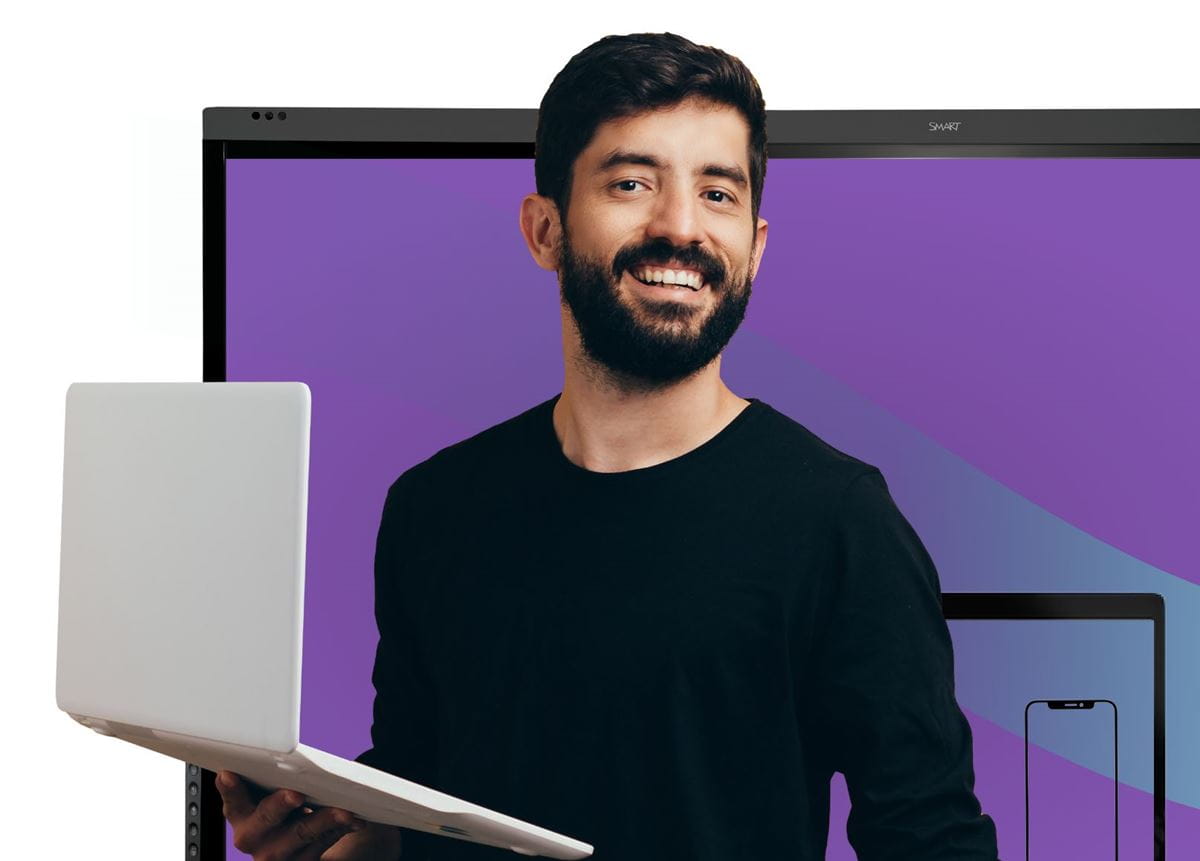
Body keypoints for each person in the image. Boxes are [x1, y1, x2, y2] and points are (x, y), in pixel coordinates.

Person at [217, 31, 1000, 860]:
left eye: (718, 194)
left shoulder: (840, 524)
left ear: (755, 250)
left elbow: (931, 839)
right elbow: (420, 803)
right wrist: (338, 841)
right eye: (632, 183)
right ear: (545, 229)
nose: (680, 227)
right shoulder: (433, 507)